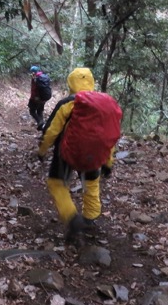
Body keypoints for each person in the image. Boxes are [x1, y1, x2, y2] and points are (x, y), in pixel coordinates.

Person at [37, 67, 121, 244]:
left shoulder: (68, 103)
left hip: (67, 151)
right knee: (91, 184)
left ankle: (72, 218)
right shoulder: (104, 106)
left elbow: (52, 131)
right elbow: (109, 137)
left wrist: (42, 150)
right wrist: (108, 162)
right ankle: (90, 219)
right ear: (91, 82)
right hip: (96, 153)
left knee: (56, 184)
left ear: (71, 83)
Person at [27, 66, 51, 130]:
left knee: (32, 111)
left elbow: (34, 89)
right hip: (44, 97)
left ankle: (40, 122)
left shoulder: (35, 78)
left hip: (36, 98)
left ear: (33, 72)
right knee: (40, 111)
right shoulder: (44, 77)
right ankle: (43, 126)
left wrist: (33, 98)